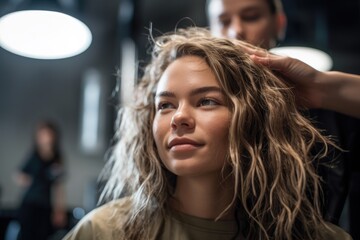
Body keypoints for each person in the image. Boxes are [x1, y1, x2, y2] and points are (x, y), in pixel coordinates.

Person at [63, 27, 351, 240]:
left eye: (207, 101)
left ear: (252, 118)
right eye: (165, 105)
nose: (179, 118)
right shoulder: (104, 232)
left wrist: (326, 89)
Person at [206, 0, 358, 226]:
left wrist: (320, 88)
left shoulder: (325, 108)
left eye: (251, 17)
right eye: (223, 21)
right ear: (210, 32)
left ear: (279, 24)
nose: (236, 30)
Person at [16, 120, 67, 240]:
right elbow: (19, 174)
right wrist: (27, 180)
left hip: (45, 205)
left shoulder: (57, 158)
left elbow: (58, 186)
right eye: (43, 135)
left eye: (48, 135)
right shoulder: (34, 156)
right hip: (30, 203)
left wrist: (59, 209)